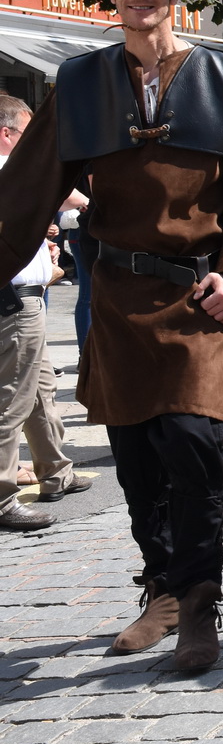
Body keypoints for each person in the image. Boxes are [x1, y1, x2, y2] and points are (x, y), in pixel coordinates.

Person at [0, 0, 223, 670]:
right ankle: (160, 586)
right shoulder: (81, 83)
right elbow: (25, 191)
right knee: (135, 457)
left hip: (197, 297)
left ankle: (197, 602)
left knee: (193, 445)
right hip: (118, 298)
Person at [0, 96, 92, 532]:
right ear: (7, 134)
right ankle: (1, 497)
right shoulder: (7, 172)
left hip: (26, 296)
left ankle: (56, 470)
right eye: (26, 133)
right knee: (13, 399)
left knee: (38, 389)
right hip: (16, 299)